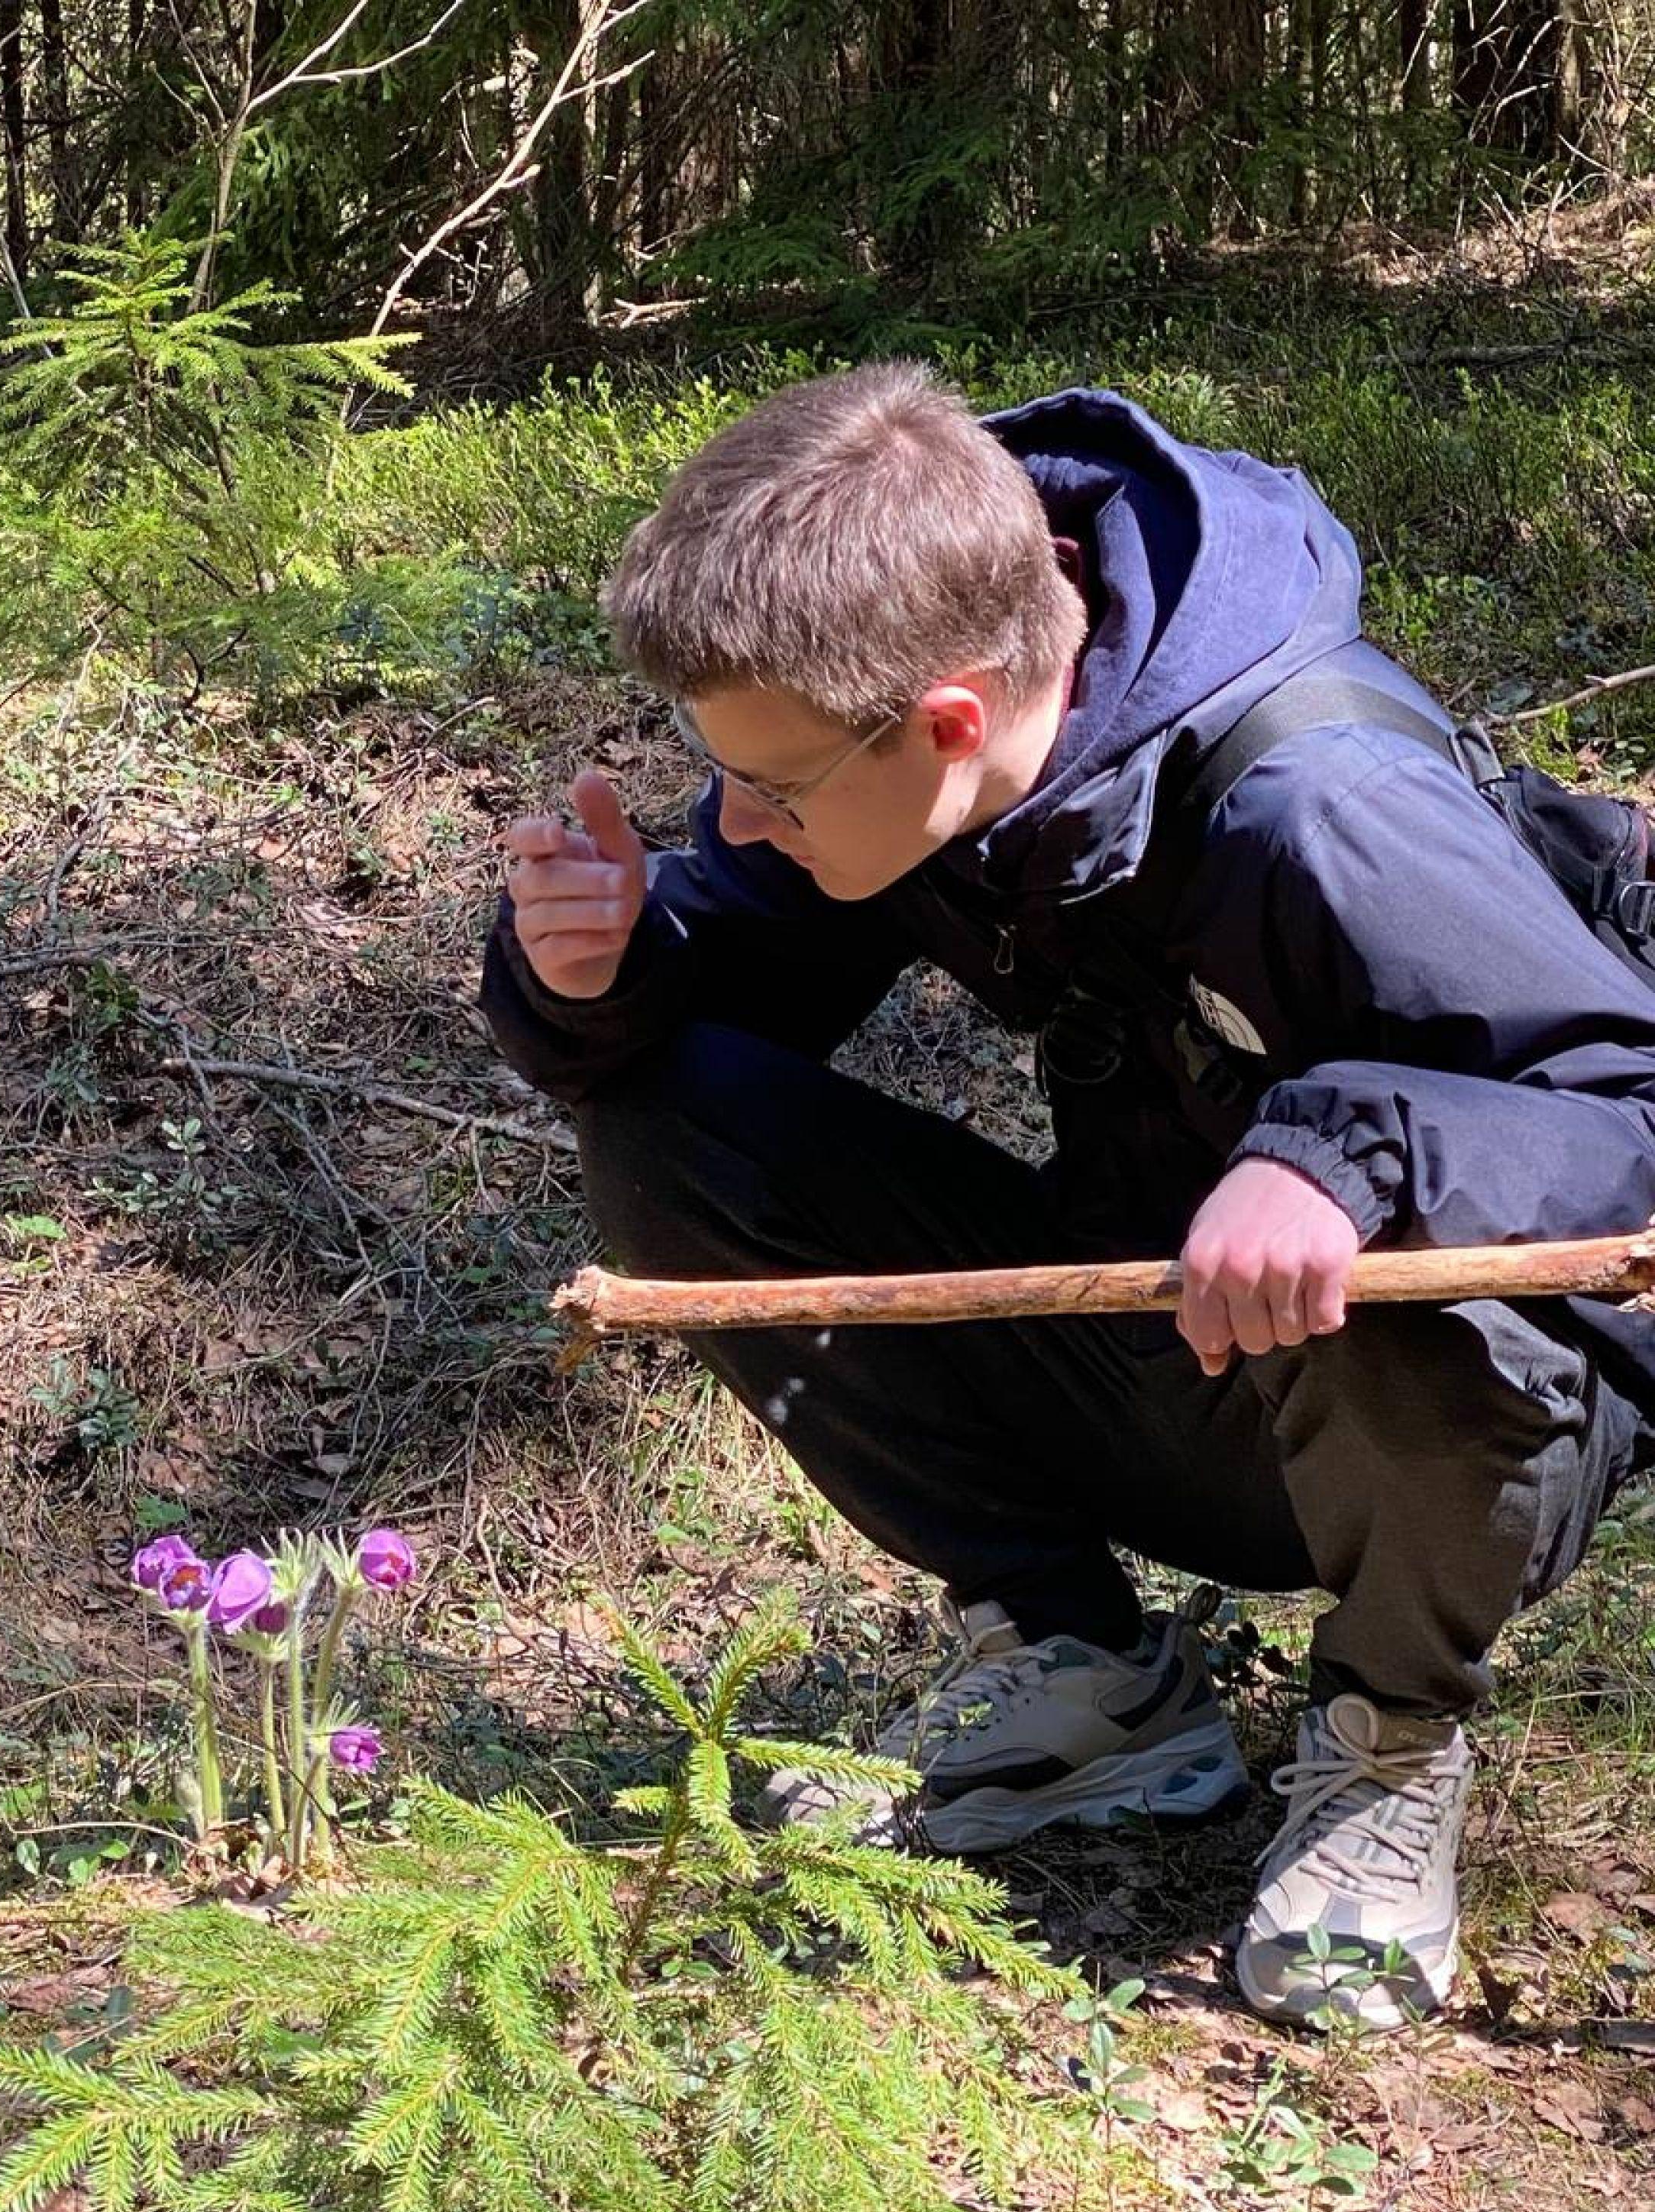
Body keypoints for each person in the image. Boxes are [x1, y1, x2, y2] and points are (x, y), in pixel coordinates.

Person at [480, 361, 1655, 2031]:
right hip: (1170, 1335)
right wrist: (606, 967)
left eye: (778, 788)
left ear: (952, 718)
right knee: (673, 1117)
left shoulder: (1324, 809)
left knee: (1425, 1273)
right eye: (719, 769)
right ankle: (1088, 1678)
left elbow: (1627, 1105)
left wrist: (1351, 1153)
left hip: (1448, 1405)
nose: (736, 817)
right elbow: (722, 974)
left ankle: (1390, 1741)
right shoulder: (918, 738)